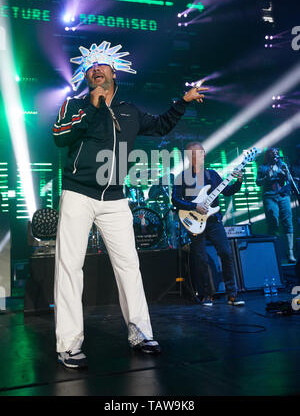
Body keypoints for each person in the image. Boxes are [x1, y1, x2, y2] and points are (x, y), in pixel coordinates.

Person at [52, 41, 209, 368]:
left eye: (102, 65)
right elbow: (60, 135)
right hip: (78, 193)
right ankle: (68, 343)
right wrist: (92, 110)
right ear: (87, 75)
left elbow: (162, 125)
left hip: (115, 199)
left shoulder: (130, 111)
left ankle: (141, 333)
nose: (96, 69)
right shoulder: (74, 105)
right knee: (69, 267)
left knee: (129, 267)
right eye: (91, 67)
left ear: (113, 72)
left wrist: (182, 102)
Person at [172, 142, 245, 307]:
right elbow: (175, 199)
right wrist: (194, 206)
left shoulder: (212, 175)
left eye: (200, 153)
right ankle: (206, 295)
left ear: (204, 154)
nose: (197, 156)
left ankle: (232, 294)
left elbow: (227, 192)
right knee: (201, 259)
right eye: (193, 154)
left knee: (226, 253)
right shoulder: (182, 177)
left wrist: (239, 181)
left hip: (213, 221)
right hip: (194, 222)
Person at [256, 147, 296, 262]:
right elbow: (258, 182)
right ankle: (274, 252)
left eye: (277, 154)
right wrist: (266, 177)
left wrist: (286, 172)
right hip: (270, 196)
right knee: (273, 222)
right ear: (268, 156)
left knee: (288, 221)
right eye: (273, 154)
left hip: (284, 195)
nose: (275, 155)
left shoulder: (283, 165)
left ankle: (290, 253)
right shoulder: (262, 167)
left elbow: (289, 179)